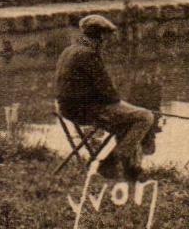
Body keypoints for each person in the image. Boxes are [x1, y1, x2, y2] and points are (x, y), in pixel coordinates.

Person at [55, 14, 158, 181]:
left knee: (128, 124)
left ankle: (133, 169)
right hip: (85, 111)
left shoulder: (69, 50)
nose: (107, 42)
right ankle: (112, 163)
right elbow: (108, 94)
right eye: (106, 37)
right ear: (101, 36)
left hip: (66, 108)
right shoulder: (89, 55)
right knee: (146, 116)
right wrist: (123, 103)